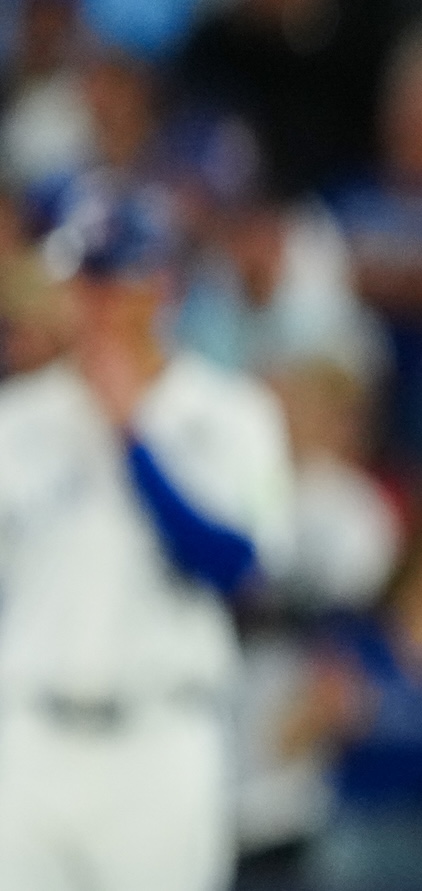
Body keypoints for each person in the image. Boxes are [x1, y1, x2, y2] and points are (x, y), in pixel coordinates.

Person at [0, 185, 295, 891]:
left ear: (162, 286)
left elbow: (237, 570)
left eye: (113, 281)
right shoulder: (17, 419)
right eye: (83, 282)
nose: (95, 303)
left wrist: (135, 443)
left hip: (158, 740)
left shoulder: (233, 416)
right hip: (28, 733)